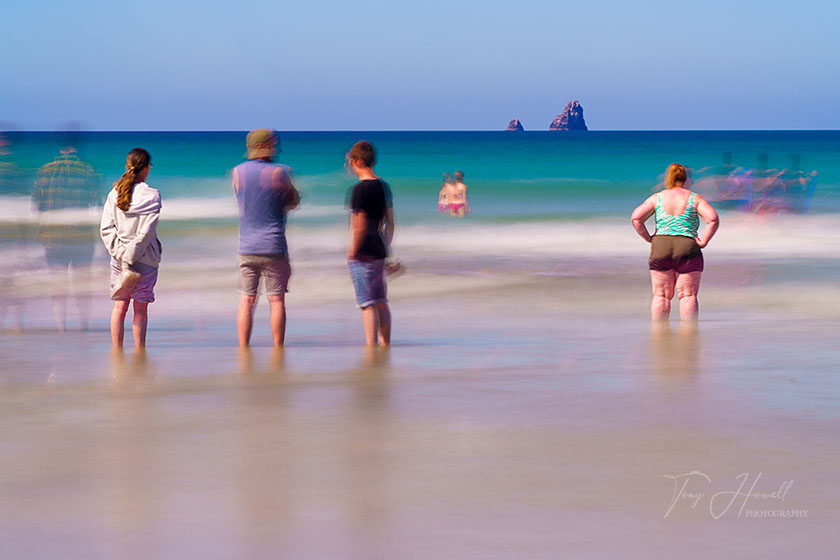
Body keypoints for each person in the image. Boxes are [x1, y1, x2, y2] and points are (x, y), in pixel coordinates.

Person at [232, 129, 300, 347]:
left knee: (246, 299)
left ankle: (243, 348)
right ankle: (278, 348)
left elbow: (243, 198)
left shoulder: (237, 172)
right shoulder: (279, 172)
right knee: (276, 299)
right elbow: (294, 201)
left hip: (247, 245)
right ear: (267, 146)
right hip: (273, 244)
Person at [631, 163, 719, 321]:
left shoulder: (657, 198)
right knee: (687, 295)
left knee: (661, 296)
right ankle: (689, 336)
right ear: (686, 179)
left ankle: (659, 335)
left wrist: (649, 238)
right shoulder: (694, 198)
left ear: (668, 178)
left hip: (661, 244)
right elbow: (712, 219)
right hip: (687, 245)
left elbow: (636, 218)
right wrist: (704, 241)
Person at [32, 130, 101, 331]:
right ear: (79, 146)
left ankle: (61, 327)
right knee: (83, 285)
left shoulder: (44, 171)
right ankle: (83, 327)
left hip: (53, 238)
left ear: (59, 146)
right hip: (81, 238)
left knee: (57, 284)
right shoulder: (89, 170)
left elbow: (38, 207)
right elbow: (96, 207)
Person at [100, 148, 161, 349]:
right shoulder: (152, 196)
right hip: (145, 260)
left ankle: (117, 353)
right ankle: (139, 353)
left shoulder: (114, 193)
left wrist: (121, 254)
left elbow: (106, 229)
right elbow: (146, 234)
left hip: (119, 259)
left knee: (119, 307)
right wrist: (131, 256)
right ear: (146, 168)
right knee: (140, 309)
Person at [346, 141, 395, 346]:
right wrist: (386, 247)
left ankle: (371, 347)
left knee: (366, 303)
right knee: (381, 301)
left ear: (357, 161)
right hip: (379, 249)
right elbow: (390, 224)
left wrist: (353, 251)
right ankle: (385, 346)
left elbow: (359, 225)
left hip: (363, 252)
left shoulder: (359, 190)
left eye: (349, 162)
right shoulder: (383, 186)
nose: (348, 166)